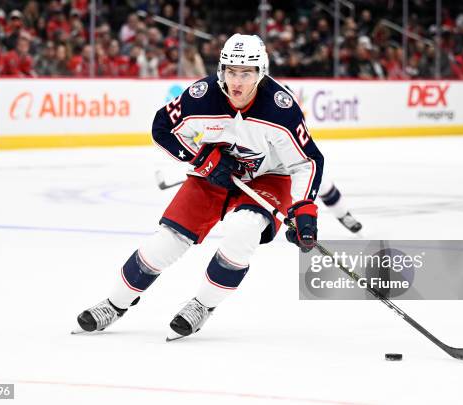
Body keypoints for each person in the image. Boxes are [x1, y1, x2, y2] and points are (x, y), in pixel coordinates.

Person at [74, 33, 325, 340]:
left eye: (246, 73)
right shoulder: (202, 95)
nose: (237, 81)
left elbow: (307, 161)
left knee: (242, 230)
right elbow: (161, 127)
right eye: (231, 71)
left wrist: (304, 211)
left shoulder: (280, 108)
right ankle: (115, 304)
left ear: (261, 73)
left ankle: (202, 305)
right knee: (163, 244)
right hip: (212, 175)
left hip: (268, 177)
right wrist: (201, 158)